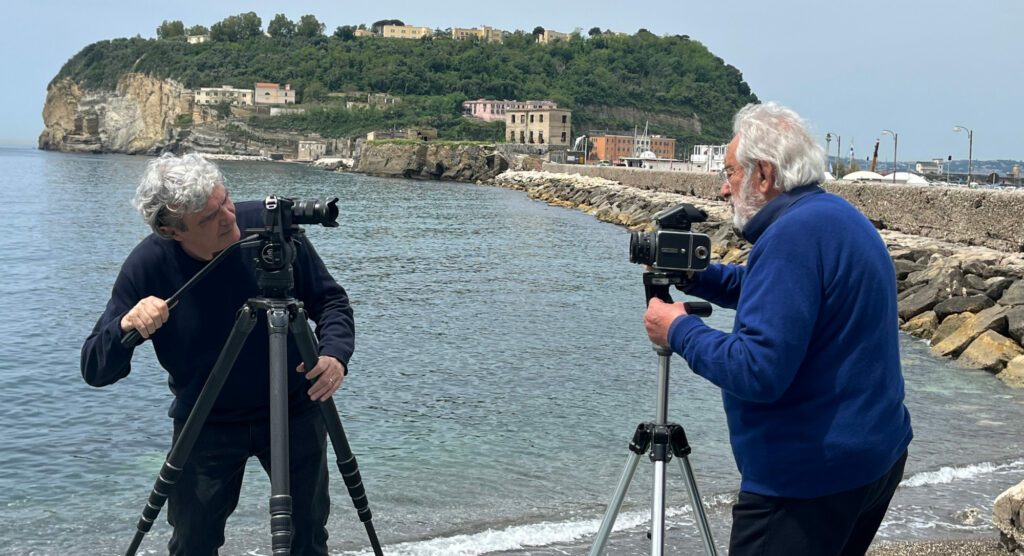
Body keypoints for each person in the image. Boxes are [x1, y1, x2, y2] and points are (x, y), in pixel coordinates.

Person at [643, 102, 912, 555]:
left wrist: (678, 330)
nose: (723, 188)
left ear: (763, 175)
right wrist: (698, 276)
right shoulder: (831, 216)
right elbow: (783, 295)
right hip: (873, 456)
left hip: (806, 482)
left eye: (729, 173)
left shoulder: (791, 238)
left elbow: (757, 371)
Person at [81, 153, 354, 555]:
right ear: (171, 230)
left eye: (226, 201)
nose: (229, 218)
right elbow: (95, 368)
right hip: (205, 420)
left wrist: (334, 354)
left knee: (308, 537)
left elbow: (331, 302)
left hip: (294, 410)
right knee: (193, 543)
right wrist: (127, 327)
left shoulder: (269, 228)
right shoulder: (149, 265)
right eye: (209, 218)